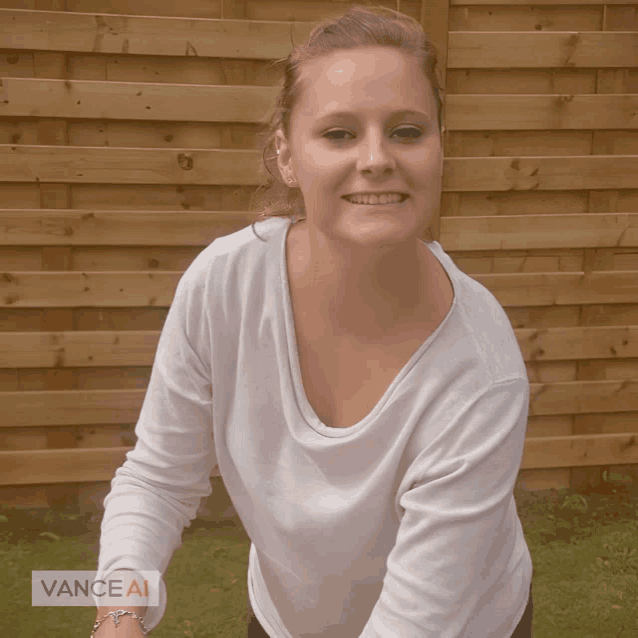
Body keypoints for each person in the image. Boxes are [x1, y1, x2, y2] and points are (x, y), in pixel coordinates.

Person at [91, 4, 534, 637]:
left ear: (440, 148)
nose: (377, 157)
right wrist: (117, 614)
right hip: (282, 618)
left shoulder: (482, 374)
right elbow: (157, 477)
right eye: (339, 133)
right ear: (287, 157)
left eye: (407, 131)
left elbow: (413, 623)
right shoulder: (225, 284)